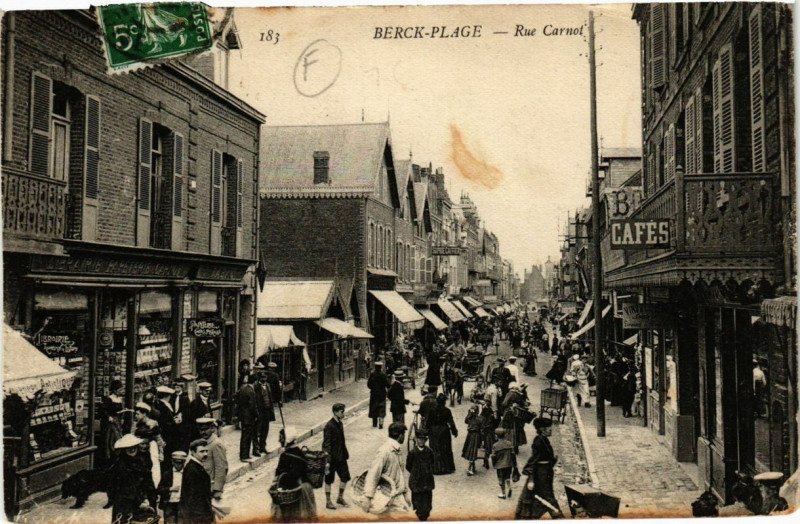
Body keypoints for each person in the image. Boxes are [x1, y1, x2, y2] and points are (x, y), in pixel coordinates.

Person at [516, 417, 563, 519]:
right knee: (548, 497)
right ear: (543, 429)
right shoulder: (538, 442)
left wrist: (552, 461)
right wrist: (531, 480)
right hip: (540, 475)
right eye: (549, 428)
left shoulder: (544, 439)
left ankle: (529, 517)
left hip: (545, 473)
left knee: (541, 497)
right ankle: (559, 517)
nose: (551, 430)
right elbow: (534, 461)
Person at [108, 434, 157, 524]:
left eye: (134, 446)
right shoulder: (120, 465)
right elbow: (126, 487)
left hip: (143, 500)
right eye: (128, 447)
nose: (132, 449)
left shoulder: (141, 460)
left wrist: (150, 497)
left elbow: (148, 480)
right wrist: (140, 502)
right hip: (126, 502)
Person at [363, 423, 412, 515]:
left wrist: (405, 494)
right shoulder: (384, 451)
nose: (404, 437)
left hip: (396, 496)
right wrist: (368, 498)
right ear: (400, 435)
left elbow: (400, 474)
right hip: (386, 497)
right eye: (404, 434)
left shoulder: (396, 449)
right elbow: (373, 474)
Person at [271, 426, 317, 521]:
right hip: (306, 489)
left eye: (281, 437)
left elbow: (282, 475)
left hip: (295, 493)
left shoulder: (285, 456)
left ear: (286, 440)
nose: (279, 440)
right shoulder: (300, 452)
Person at [322, 403, 350, 510]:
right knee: (329, 480)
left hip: (341, 457)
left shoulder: (340, 423)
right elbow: (326, 444)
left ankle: (340, 497)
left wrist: (345, 453)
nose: (343, 413)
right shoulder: (329, 426)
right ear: (335, 412)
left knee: (345, 477)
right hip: (332, 458)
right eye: (342, 411)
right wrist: (327, 461)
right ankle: (328, 502)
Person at [180, 439, 214, 524]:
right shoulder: (193, 470)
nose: (205, 454)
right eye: (201, 451)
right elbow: (193, 497)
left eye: (206, 451)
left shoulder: (197, 466)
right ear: (193, 452)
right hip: (198, 516)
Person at [406, 429, 435, 521]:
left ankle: (426, 513)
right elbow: (408, 466)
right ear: (416, 440)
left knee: (427, 499)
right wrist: (415, 472)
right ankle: (419, 513)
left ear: (425, 440)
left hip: (427, 478)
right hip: (416, 479)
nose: (421, 441)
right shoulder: (412, 453)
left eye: (423, 439)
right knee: (418, 499)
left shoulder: (429, 451)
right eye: (419, 439)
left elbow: (432, 462)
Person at [427, 393, 457, 475]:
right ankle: (446, 468)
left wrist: (427, 432)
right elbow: (451, 422)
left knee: (435, 449)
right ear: (444, 402)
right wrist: (454, 431)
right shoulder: (447, 411)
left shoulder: (432, 410)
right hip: (444, 430)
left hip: (434, 431)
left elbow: (428, 422)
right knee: (445, 448)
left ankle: (435, 468)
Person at [197, 418, 227, 501]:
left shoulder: (216, 444)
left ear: (212, 429)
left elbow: (221, 467)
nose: (203, 432)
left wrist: (218, 489)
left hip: (211, 486)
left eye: (206, 429)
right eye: (201, 429)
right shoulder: (201, 442)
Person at [253, 364, 276, 456]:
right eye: (262, 378)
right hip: (259, 411)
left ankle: (263, 446)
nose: (264, 379)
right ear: (259, 378)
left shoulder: (268, 385)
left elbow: (270, 398)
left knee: (265, 430)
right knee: (256, 430)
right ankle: (256, 449)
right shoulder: (255, 386)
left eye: (265, 377)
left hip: (267, 411)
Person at [158, 451, 186, 524]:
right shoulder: (167, 474)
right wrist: (170, 489)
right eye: (177, 462)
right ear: (172, 462)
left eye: (181, 463)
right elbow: (159, 489)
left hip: (182, 504)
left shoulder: (187, 474)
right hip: (169, 504)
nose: (179, 465)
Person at [235, 375, 258, 462]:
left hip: (243, 416)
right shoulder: (251, 391)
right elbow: (252, 406)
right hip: (249, 417)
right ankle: (244, 456)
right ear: (254, 382)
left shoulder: (243, 388)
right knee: (246, 437)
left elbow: (236, 397)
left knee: (245, 436)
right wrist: (257, 415)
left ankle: (244, 455)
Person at [98, 397, 124, 469]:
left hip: (117, 421)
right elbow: (103, 410)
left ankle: (115, 459)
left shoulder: (119, 399)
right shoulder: (109, 399)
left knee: (118, 437)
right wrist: (108, 416)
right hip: (110, 422)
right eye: (120, 389)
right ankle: (109, 458)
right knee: (111, 439)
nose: (121, 391)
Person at [502, 383, 528, 454]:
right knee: (516, 429)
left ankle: (510, 447)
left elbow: (504, 403)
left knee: (509, 429)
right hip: (517, 414)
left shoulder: (510, 394)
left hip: (509, 414)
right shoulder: (519, 394)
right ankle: (516, 447)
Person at [492, 428, 517, 500]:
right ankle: (509, 487)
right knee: (507, 477)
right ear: (505, 435)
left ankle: (503, 494)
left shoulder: (495, 445)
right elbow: (513, 454)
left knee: (501, 479)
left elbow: (493, 456)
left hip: (500, 465)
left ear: (496, 436)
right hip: (509, 464)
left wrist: (494, 464)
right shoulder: (509, 443)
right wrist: (514, 465)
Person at [155, 385, 180, 460]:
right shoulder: (162, 406)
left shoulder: (162, 404)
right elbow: (164, 422)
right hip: (166, 434)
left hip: (168, 433)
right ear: (167, 396)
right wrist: (175, 422)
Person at [462, 402, 486, 476]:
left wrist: (469, 414)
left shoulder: (470, 418)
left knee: (471, 451)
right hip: (476, 435)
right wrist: (483, 439)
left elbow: (466, 421)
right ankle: (471, 468)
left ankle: (471, 467)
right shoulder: (480, 418)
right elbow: (482, 430)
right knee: (473, 451)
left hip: (470, 435)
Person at [367, 362, 389, 429]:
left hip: (374, 394)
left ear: (375, 367)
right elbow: (387, 384)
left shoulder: (372, 374)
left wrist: (373, 388)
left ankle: (374, 423)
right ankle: (381, 424)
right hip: (382, 394)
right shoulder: (383, 375)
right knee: (381, 408)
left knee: (374, 408)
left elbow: (369, 384)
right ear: (381, 367)